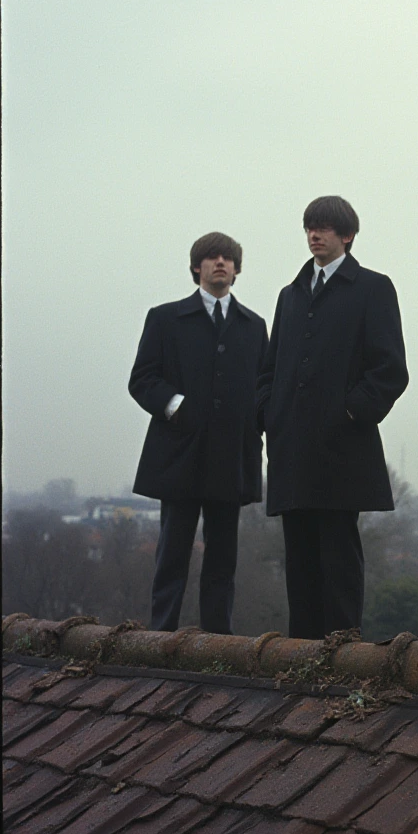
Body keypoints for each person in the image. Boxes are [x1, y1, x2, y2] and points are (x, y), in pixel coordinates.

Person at [257, 196, 408, 640]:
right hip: (290, 447)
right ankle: (299, 656)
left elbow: (390, 370)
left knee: (339, 556)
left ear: (347, 236)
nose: (314, 235)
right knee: (298, 558)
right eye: (309, 227)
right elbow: (268, 370)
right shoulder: (290, 295)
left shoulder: (373, 288)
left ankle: (342, 654)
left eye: (323, 227)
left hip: (344, 447)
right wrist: (269, 414)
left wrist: (348, 411)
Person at [130, 232, 269, 634]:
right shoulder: (165, 318)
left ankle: (217, 641)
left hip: (233, 455)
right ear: (197, 267)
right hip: (180, 453)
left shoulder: (254, 326)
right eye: (211, 257)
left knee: (223, 558)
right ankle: (159, 635)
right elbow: (142, 379)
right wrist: (177, 407)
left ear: (237, 269)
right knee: (172, 552)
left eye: (228, 258)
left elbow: (264, 386)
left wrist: (255, 428)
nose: (220, 263)